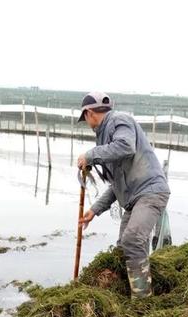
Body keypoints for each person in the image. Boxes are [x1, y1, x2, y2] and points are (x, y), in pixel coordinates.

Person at [76, 92, 170, 298]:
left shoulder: (120, 120)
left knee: (133, 239)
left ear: (89, 113)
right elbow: (116, 185)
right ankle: (126, 293)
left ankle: (143, 300)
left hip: (150, 192)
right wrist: (94, 210)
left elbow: (126, 146)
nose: (87, 123)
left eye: (85, 119)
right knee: (123, 249)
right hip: (134, 199)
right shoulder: (104, 137)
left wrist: (90, 155)